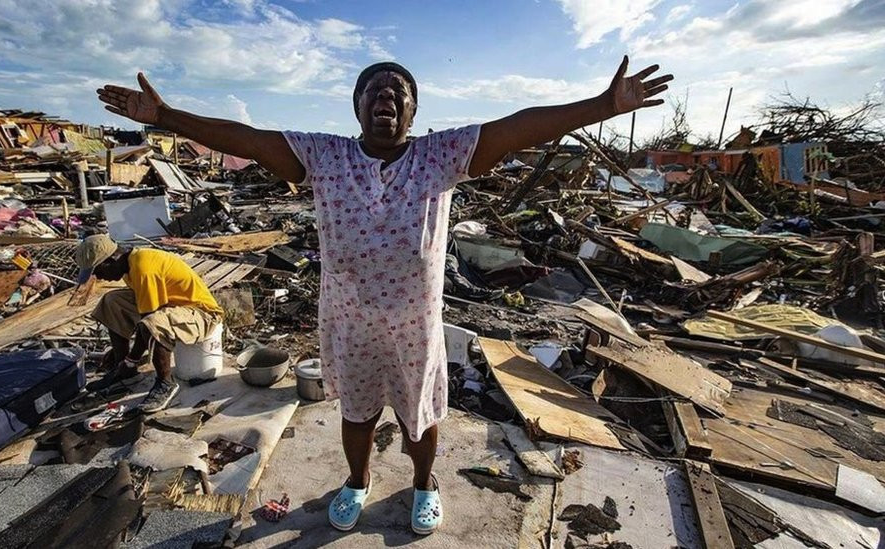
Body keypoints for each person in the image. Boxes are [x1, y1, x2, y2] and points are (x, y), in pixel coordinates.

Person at [96, 55, 671, 534]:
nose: (385, 98)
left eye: (398, 92)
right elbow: (247, 137)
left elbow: (516, 127)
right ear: (356, 106)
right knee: (357, 411)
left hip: (414, 323)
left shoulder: (439, 157)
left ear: (414, 110)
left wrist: (602, 106)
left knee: (420, 415)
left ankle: (423, 485)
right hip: (349, 321)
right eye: (373, 90)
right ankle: (358, 481)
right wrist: (168, 116)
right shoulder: (326, 157)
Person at [75, 234, 224, 412]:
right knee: (111, 302)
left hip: (202, 314)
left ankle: (165, 384)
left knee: (153, 323)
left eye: (98, 271)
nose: (99, 277)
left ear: (111, 259)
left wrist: (132, 359)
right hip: (173, 305)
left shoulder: (144, 268)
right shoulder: (128, 264)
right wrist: (122, 358)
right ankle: (124, 373)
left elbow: (148, 323)